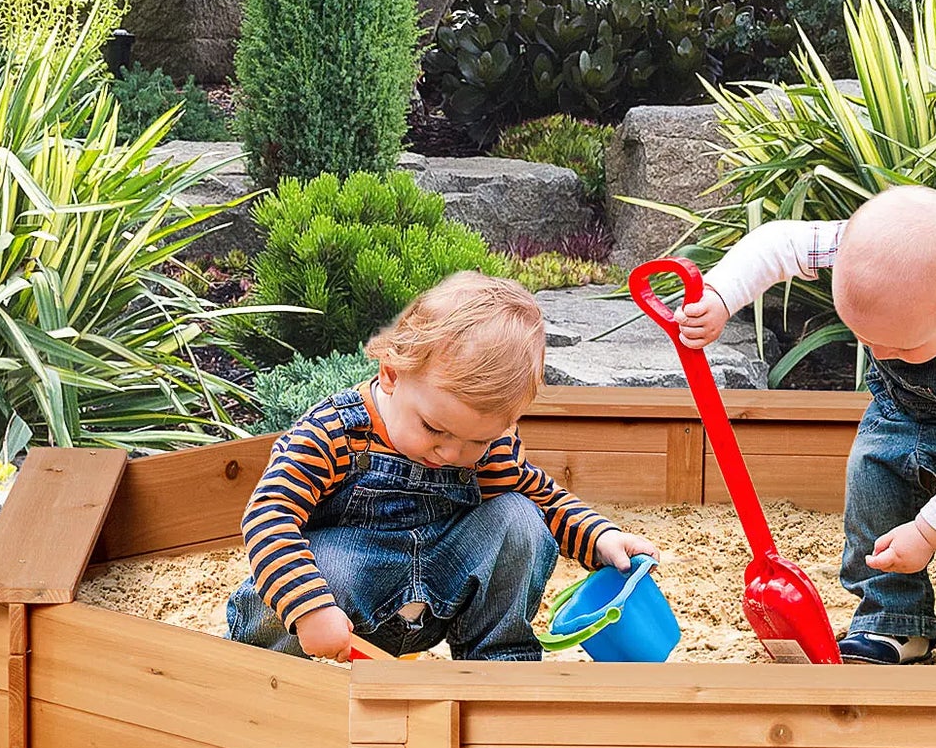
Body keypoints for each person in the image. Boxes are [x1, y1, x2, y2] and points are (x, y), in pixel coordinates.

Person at [677, 187, 936, 663]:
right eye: (866, 338)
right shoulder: (860, 247)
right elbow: (776, 244)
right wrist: (721, 296)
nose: (882, 354)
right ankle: (893, 619)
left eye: (902, 346)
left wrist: (927, 535)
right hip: (906, 406)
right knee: (872, 474)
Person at [226, 272, 659, 661]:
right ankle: (262, 671)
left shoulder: (489, 450)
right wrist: (309, 607)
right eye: (435, 429)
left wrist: (602, 537)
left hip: (433, 597)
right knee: (307, 573)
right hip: (331, 614)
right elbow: (268, 516)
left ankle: (499, 665)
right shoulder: (335, 433)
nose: (452, 453)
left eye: (479, 441)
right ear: (392, 374)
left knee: (520, 519)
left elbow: (543, 499)